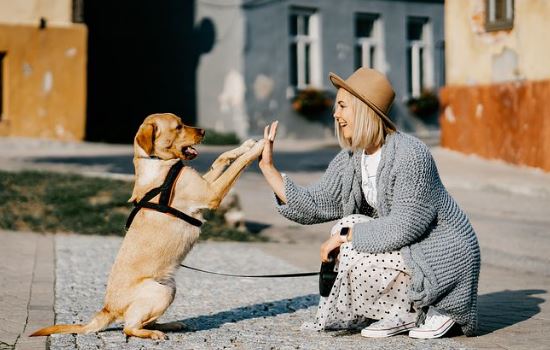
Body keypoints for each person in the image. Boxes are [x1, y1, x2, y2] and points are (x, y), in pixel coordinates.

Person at [258, 67, 480, 338]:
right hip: (409, 250)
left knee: (348, 234)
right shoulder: (353, 158)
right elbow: (316, 203)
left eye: (342, 106)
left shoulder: (411, 154)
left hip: (442, 256)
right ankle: (399, 311)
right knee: (347, 226)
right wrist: (269, 169)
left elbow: (404, 227)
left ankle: (428, 308)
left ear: (364, 109)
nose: (335, 114)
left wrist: (344, 238)